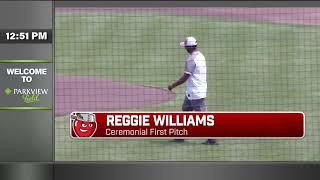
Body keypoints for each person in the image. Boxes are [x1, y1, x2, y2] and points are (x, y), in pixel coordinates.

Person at [168, 36, 217, 145]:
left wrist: (172, 85)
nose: (184, 48)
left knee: (203, 118)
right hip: (192, 92)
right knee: (185, 112)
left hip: (196, 93)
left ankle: (212, 139)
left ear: (189, 48)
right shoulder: (200, 55)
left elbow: (185, 77)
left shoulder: (191, 59)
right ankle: (180, 136)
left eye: (185, 46)